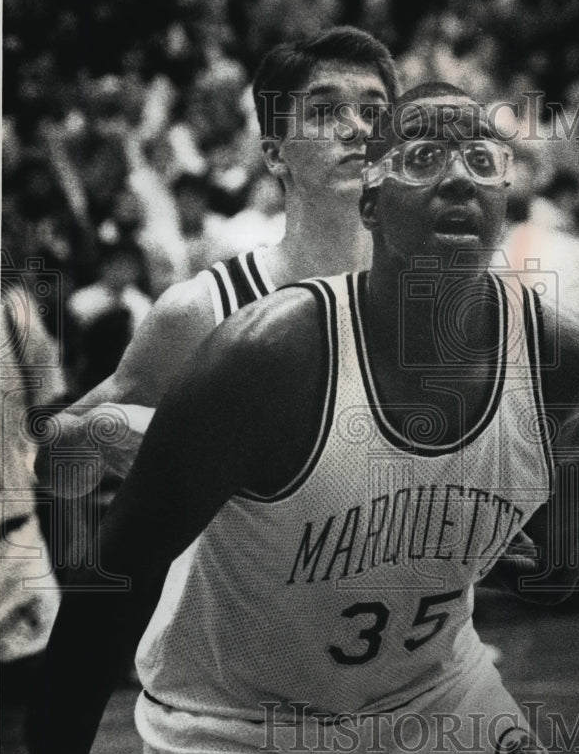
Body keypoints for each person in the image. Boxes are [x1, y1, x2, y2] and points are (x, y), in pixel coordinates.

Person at [1, 85, 579, 754]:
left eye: (482, 160)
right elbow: (111, 576)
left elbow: (492, 500)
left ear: (506, 197)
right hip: (246, 745)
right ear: (368, 195)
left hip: (438, 712)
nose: (458, 178)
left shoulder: (562, 359)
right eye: (422, 157)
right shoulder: (262, 353)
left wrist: (451, 534)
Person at [34, 26, 397, 490]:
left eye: (373, 112)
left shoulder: (436, 303)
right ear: (273, 154)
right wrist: (105, 430)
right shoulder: (205, 309)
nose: (357, 128)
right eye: (325, 110)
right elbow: (57, 470)